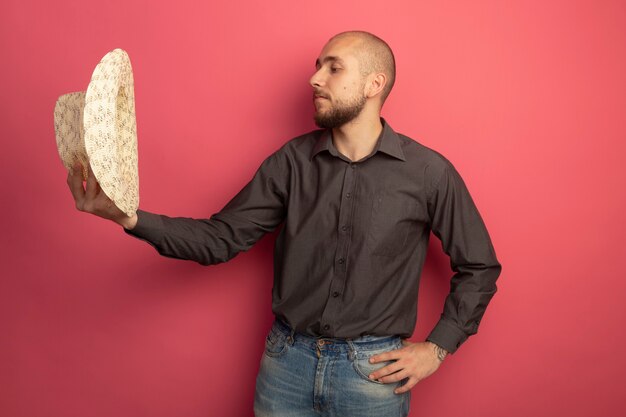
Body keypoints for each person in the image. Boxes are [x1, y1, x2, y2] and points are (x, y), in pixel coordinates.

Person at [67, 31, 502, 417]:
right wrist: (129, 218)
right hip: (286, 366)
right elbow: (221, 239)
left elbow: (479, 266)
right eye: (317, 67)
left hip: (372, 377)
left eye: (334, 68)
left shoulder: (428, 172)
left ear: (375, 84)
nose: (315, 79)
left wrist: (438, 347)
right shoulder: (291, 163)